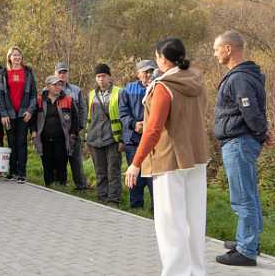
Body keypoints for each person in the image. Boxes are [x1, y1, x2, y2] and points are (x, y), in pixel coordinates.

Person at [125, 38, 209, 276]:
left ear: (163, 59)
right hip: (196, 155)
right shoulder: (197, 79)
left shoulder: (164, 86)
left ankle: (175, 272)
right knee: (194, 219)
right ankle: (195, 270)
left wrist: (135, 162)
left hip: (169, 158)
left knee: (170, 223)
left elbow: (152, 130)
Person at [213, 30, 268, 266]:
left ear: (228, 49)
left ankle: (246, 250)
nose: (215, 54)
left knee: (243, 197)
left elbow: (250, 110)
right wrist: (263, 132)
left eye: (216, 49)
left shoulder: (239, 78)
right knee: (249, 195)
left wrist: (261, 132)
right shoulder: (245, 75)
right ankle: (248, 240)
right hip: (242, 141)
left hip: (238, 142)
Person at [0, 46, 37, 184]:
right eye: (14, 55)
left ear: (22, 57)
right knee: (11, 143)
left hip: (23, 114)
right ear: (9, 57)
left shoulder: (28, 73)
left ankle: (21, 173)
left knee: (21, 143)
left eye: (19, 55)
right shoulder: (3, 73)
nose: (17, 57)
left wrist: (30, 110)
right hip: (8, 114)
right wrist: (3, 113)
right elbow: (0, 96)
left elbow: (33, 94)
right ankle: (11, 171)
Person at [119, 59, 156, 208]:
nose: (148, 74)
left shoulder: (157, 88)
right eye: (145, 71)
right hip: (133, 139)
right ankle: (136, 207)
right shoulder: (127, 89)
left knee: (153, 177)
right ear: (138, 73)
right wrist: (134, 124)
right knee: (135, 174)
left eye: (151, 71)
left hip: (153, 139)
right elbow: (123, 112)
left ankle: (156, 208)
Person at [87, 63, 123, 204]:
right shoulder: (91, 95)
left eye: (103, 76)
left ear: (109, 77)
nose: (101, 79)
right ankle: (102, 198)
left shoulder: (119, 93)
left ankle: (114, 200)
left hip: (112, 139)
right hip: (95, 139)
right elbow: (89, 119)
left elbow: (124, 118)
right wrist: (87, 139)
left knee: (113, 172)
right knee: (100, 172)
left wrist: (122, 140)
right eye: (98, 76)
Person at [35, 75, 80, 187]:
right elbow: (33, 118)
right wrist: (33, 131)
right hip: (44, 138)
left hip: (62, 138)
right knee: (47, 163)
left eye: (59, 84)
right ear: (48, 86)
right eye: (54, 84)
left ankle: (62, 185)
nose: (57, 87)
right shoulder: (40, 100)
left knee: (61, 162)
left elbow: (75, 118)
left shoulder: (68, 99)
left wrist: (73, 133)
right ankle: (49, 185)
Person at [54, 62, 88, 190]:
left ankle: (81, 186)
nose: (62, 75)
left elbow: (82, 110)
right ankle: (60, 185)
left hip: (73, 132)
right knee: (58, 160)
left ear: (68, 74)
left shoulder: (76, 90)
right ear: (55, 74)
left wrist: (80, 127)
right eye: (60, 72)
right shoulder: (50, 89)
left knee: (76, 161)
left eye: (64, 72)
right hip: (57, 133)